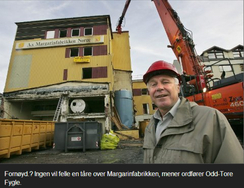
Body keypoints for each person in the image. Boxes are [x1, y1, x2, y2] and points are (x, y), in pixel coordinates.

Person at [142, 60, 243, 163]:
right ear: (149, 92)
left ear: (178, 88)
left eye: (165, 82)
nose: (159, 88)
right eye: (153, 84)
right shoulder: (150, 127)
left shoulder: (210, 119)